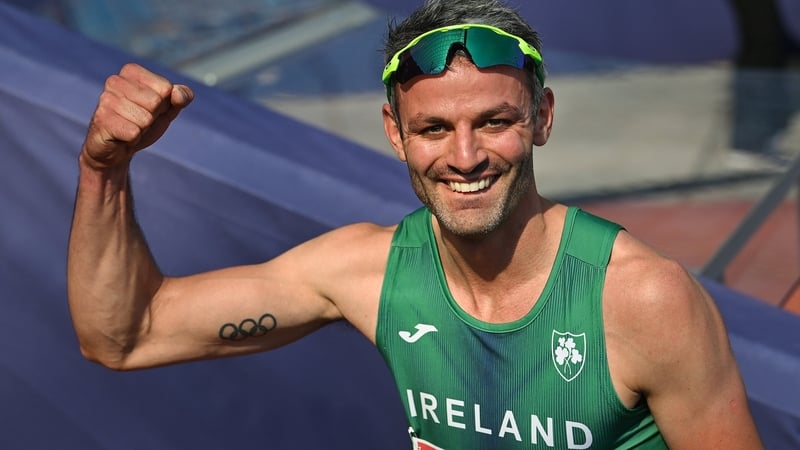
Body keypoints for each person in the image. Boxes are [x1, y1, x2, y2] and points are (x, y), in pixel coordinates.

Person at [67, 0, 764, 448]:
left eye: (493, 121)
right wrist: (105, 171)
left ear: (542, 118)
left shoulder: (644, 299)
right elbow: (125, 336)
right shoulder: (365, 273)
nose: (465, 157)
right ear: (396, 134)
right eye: (434, 128)